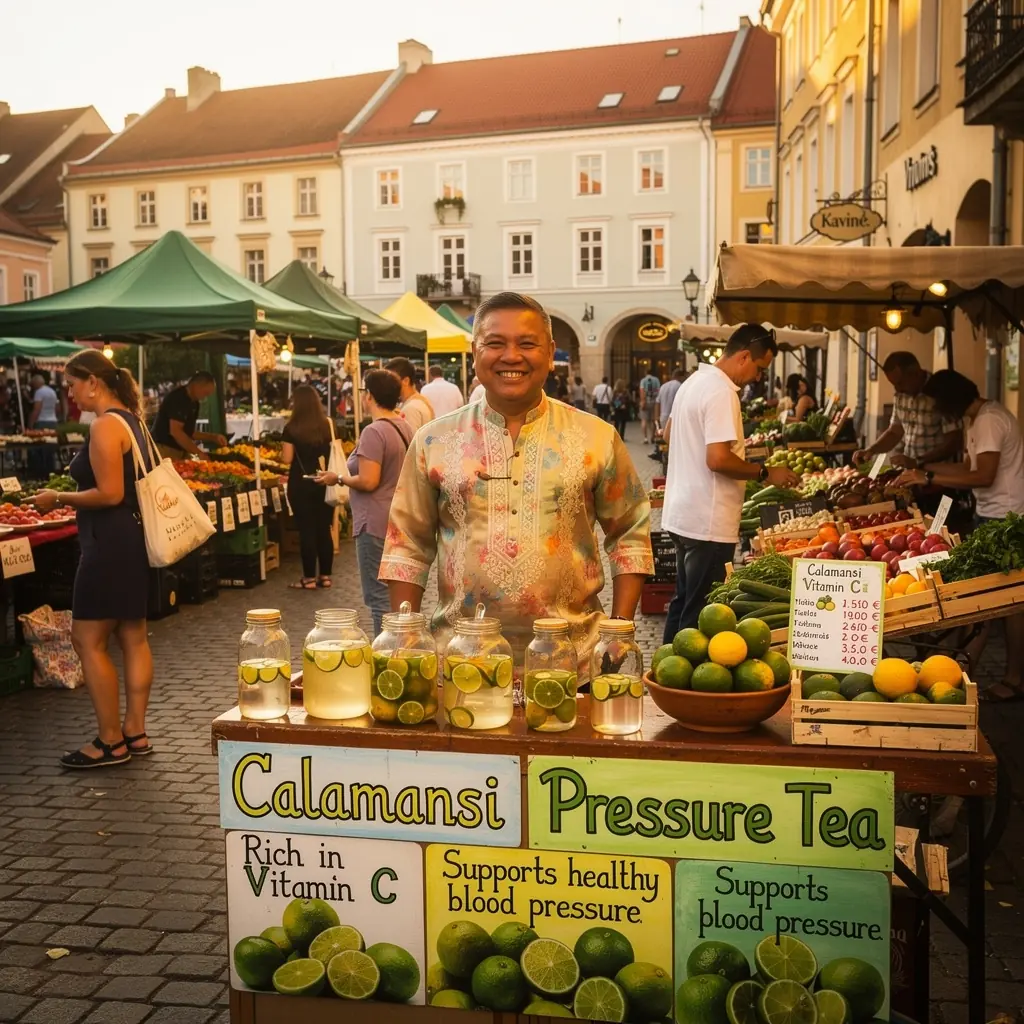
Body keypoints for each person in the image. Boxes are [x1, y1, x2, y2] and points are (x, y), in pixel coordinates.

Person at [380, 291, 652, 675]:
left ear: (550, 352)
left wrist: (620, 630)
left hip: (575, 664)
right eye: (495, 343)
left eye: (527, 343)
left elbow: (630, 533)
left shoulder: (597, 438)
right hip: (460, 664)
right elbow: (406, 546)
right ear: (475, 352)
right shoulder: (432, 441)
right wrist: (405, 638)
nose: (511, 356)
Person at [34, 351, 154, 768]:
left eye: (72, 384)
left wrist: (58, 498)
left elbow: (110, 493)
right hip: (132, 540)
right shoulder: (134, 421)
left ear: (93, 382)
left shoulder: (105, 424)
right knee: (133, 637)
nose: (69, 392)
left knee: (86, 638)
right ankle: (135, 732)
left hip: (108, 542)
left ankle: (109, 740)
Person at [661, 325, 800, 641]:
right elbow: (719, 460)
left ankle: (663, 674)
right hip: (708, 520)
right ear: (744, 356)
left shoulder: (692, 382)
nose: (757, 378)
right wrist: (766, 472)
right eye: (759, 368)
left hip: (682, 515)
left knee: (683, 601)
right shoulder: (722, 392)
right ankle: (681, 683)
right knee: (700, 613)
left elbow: (668, 434)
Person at [894, 369, 1024, 701]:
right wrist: (921, 470)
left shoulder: (990, 420)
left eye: (937, 403)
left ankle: (1010, 678)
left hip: (1006, 518)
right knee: (982, 603)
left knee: (1003, 604)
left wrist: (927, 475)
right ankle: (960, 673)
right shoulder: (977, 419)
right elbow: (967, 469)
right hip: (991, 514)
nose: (937, 411)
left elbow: (983, 475)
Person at [317, 370, 413, 635]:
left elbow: (369, 481)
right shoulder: (405, 427)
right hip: (400, 520)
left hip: (374, 523)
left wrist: (339, 478)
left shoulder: (374, 431)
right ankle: (401, 652)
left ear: (369, 395)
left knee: (379, 597)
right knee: (398, 596)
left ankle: (385, 657)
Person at [853, 351, 961, 469]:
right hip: (911, 473)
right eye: (894, 384)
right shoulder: (900, 396)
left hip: (939, 475)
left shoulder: (941, 393)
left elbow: (954, 441)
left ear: (916, 373)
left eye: (900, 383)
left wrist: (918, 461)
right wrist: (871, 450)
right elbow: (895, 432)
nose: (897, 389)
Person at [280, 385, 335, 590]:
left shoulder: (291, 428)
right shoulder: (328, 425)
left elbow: (287, 458)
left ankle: (309, 578)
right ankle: (326, 576)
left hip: (301, 483)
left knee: (307, 531)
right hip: (325, 481)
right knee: (324, 529)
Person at [151, 371, 227, 457]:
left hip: (180, 450)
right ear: (196, 385)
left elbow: (189, 432)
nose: (206, 397)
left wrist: (213, 437)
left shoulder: (195, 403)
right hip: (165, 449)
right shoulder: (178, 398)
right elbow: (176, 431)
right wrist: (199, 453)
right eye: (206, 393)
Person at [386, 357, 434, 432]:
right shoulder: (419, 401)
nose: (388, 385)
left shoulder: (410, 408)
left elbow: (410, 442)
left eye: (392, 380)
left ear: (406, 381)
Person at [655, 367, 686, 434]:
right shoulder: (680, 386)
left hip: (663, 416)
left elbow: (658, 402)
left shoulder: (663, 386)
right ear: (680, 376)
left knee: (665, 437)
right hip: (674, 417)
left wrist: (657, 417)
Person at [638, 368, 661, 443]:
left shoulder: (643, 380)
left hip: (646, 401)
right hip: (654, 402)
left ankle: (645, 438)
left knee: (644, 420)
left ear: (646, 373)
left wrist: (642, 401)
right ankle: (652, 437)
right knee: (653, 420)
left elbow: (642, 391)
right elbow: (658, 390)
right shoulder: (656, 380)